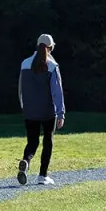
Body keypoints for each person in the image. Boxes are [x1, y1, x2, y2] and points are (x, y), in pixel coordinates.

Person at [17, 33, 65, 185]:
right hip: (47, 111)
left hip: (30, 110)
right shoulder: (52, 66)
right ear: (50, 48)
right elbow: (57, 91)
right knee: (48, 141)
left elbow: (20, 88)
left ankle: (26, 162)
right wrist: (61, 112)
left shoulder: (24, 63)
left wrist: (24, 106)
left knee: (32, 142)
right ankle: (42, 175)